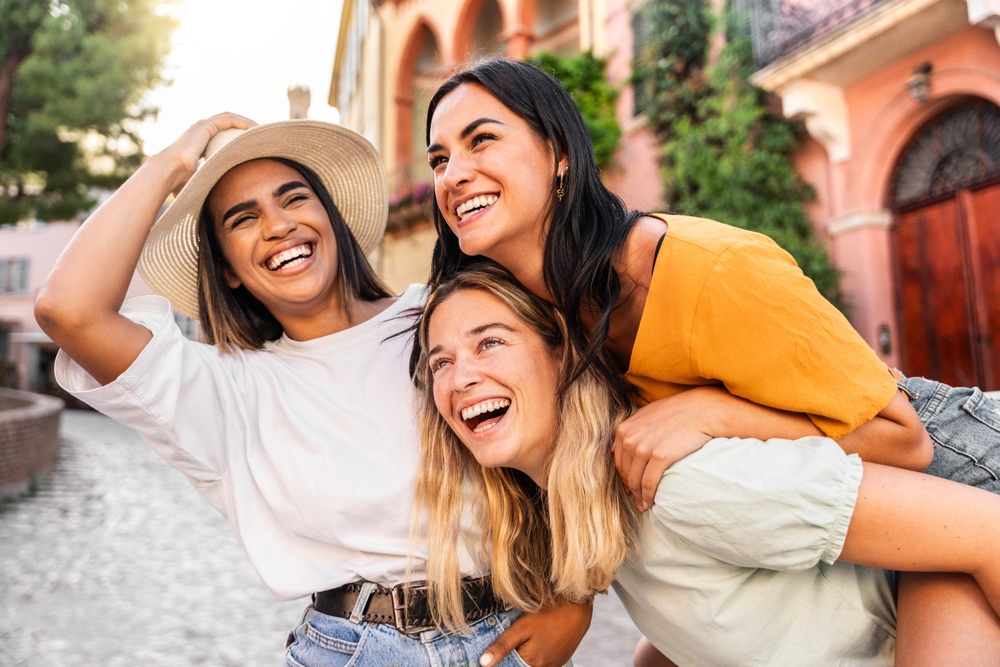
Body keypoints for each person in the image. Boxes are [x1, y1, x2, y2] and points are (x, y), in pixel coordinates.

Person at [421, 57, 1000, 664]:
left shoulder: (705, 270)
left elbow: (903, 438)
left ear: (559, 152)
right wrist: (577, 593)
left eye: (481, 139)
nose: (454, 174)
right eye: (438, 159)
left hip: (958, 467)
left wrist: (710, 410)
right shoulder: (546, 312)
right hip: (871, 524)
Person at [33, 114, 590, 667]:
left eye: (294, 199)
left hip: (505, 635)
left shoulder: (447, 317)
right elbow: (69, 310)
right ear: (226, 268)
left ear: (332, 216)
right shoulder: (223, 391)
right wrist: (173, 163)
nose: (277, 226)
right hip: (353, 651)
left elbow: (576, 426)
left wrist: (577, 596)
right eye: (242, 219)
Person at [413, 261, 1000, 667]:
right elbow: (712, 608)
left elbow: (985, 530)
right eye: (440, 363)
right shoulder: (593, 508)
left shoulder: (678, 485)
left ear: (563, 356)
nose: (461, 377)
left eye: (490, 343)